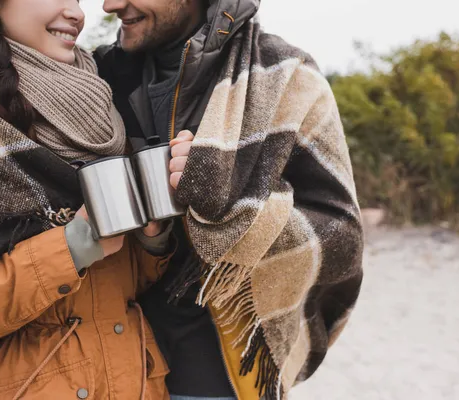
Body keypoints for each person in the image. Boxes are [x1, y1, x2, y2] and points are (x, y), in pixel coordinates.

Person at [0, 0, 186, 398]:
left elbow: (125, 283)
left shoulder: (102, 110)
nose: (76, 14)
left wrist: (153, 235)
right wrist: (72, 247)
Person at [95, 0, 365, 399]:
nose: (110, 4)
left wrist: (226, 198)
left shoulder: (287, 76)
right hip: (97, 367)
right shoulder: (93, 77)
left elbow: (343, 240)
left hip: (214, 374)